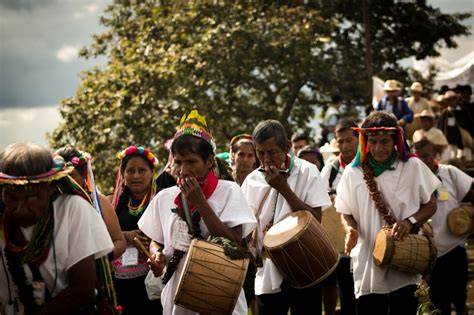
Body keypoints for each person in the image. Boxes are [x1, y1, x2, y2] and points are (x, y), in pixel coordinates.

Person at [138, 110, 256, 314]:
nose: (183, 170)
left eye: (191, 161)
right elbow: (156, 239)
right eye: (178, 162)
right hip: (177, 297)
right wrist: (157, 254)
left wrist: (201, 203)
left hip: (219, 293)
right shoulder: (165, 196)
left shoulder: (229, 191)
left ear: (209, 161)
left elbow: (236, 244)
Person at [335, 112, 440, 314]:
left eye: (384, 141)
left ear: (396, 140)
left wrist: (409, 222)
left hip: (404, 257)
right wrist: (350, 230)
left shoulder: (412, 166)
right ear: (364, 141)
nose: (378, 148)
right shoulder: (352, 172)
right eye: (372, 142)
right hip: (368, 261)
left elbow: (431, 205)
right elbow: (345, 212)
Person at [0, 143, 113, 314]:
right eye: (12, 198)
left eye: (31, 197)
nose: (20, 209)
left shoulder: (72, 209)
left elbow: (83, 290)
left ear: (50, 187)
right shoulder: (4, 222)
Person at [241, 119, 332, 315]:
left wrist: (283, 188)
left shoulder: (307, 171)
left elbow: (316, 219)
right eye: (260, 153)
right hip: (267, 269)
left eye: (272, 152)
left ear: (287, 147)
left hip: (304, 264)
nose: (266, 159)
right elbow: (246, 227)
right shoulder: (252, 180)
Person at [413, 139, 473, 315]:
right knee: (439, 302)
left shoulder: (449, 172)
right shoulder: (411, 181)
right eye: (418, 158)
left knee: (460, 298)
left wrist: (469, 211)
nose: (423, 161)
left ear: (434, 155)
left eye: (426, 156)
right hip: (430, 253)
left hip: (455, 247)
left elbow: (471, 191)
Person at [109, 145, 162, 314]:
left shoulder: (162, 200)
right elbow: (100, 236)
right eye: (130, 171)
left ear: (152, 172)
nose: (136, 176)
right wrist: (126, 236)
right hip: (120, 283)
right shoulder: (113, 203)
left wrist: (154, 242)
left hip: (152, 281)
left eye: (142, 170)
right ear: (123, 174)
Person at [55, 146, 126, 260]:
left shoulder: (99, 202)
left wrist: (99, 262)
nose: (66, 181)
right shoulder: (50, 204)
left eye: (71, 176)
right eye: (62, 177)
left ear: (83, 175)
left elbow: (119, 242)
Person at [320, 119, 359, 315]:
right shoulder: (330, 169)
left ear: (359, 139)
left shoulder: (370, 166)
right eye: (340, 141)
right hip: (342, 246)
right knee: (347, 296)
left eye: (349, 140)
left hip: (369, 243)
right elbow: (318, 200)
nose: (344, 146)